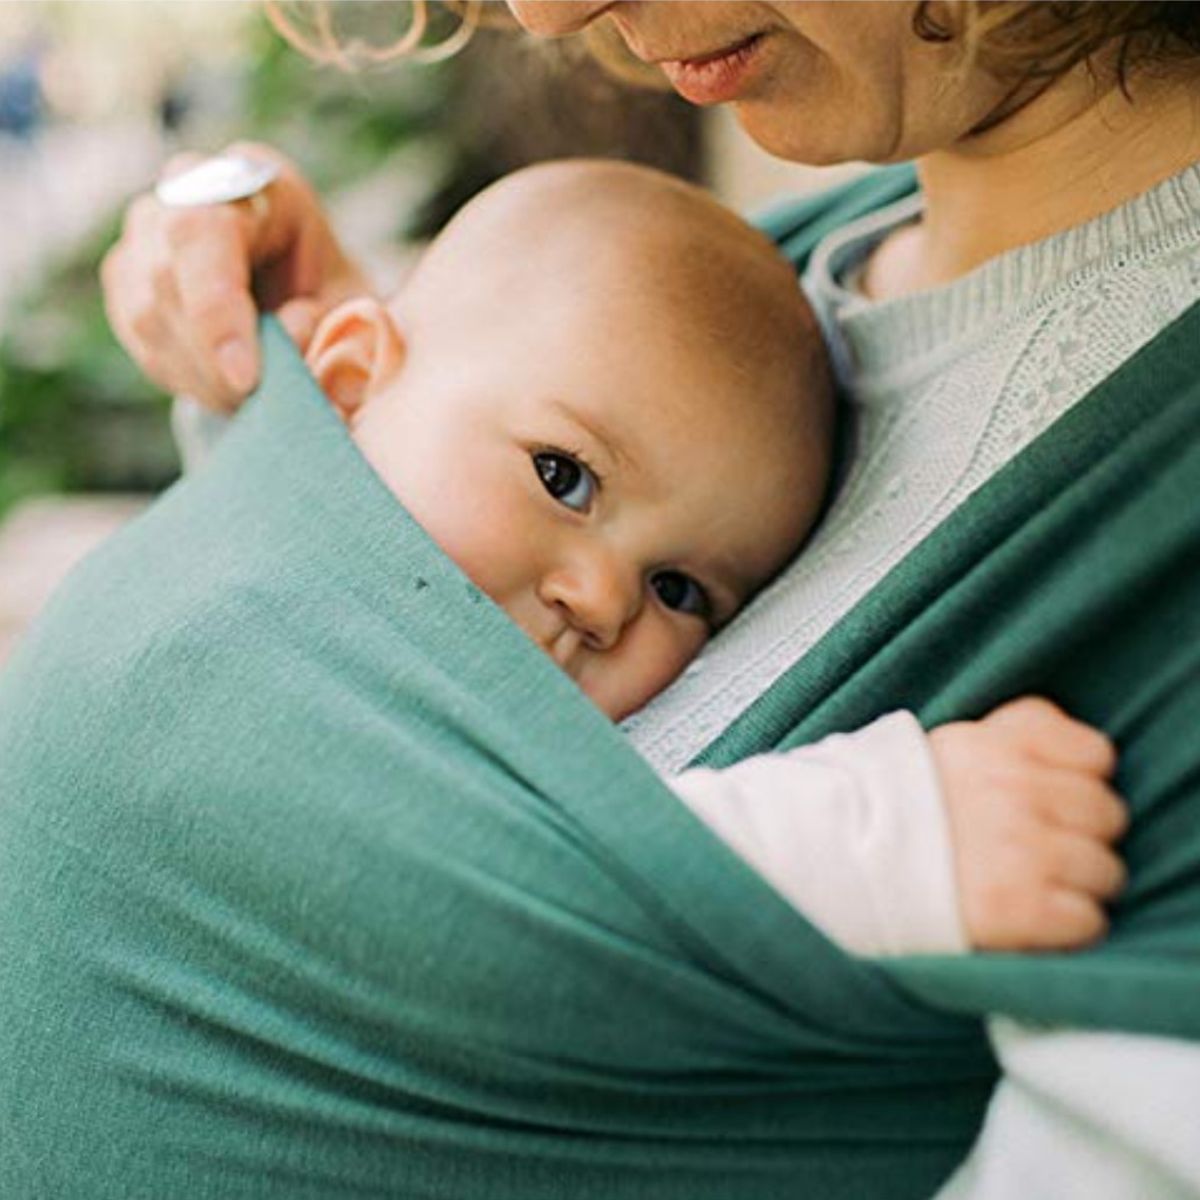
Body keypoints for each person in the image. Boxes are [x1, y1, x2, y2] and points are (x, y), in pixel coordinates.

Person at [78, 1, 1200, 1195]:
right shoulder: (786, 282)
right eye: (558, 475)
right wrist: (314, 423)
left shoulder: (1138, 511)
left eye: (683, 595)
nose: (547, 11)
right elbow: (314, 737)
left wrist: (882, 839)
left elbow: (483, 883)